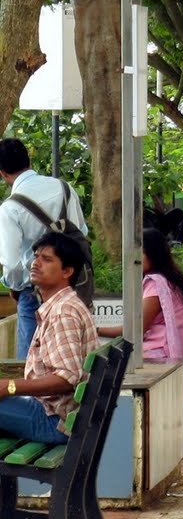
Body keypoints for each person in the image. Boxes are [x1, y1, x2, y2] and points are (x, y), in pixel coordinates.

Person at [0, 231, 97, 444]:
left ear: (67, 271)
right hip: (58, 413)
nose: (35, 263)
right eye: (35, 256)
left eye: (47, 259)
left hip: (54, 422)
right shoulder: (63, 305)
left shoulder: (63, 312)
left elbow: (66, 377)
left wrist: (10, 386)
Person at [0, 138, 88, 360]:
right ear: (28, 160)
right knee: (71, 358)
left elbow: (12, 265)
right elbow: (81, 234)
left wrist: (15, 286)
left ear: (2, 173)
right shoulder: (65, 189)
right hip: (74, 286)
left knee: (32, 366)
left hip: (35, 293)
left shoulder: (10, 208)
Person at [98, 228, 183, 363]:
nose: (134, 258)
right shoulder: (172, 278)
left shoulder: (156, 284)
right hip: (176, 350)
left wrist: (96, 329)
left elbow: (135, 329)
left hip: (163, 355)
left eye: (140, 253)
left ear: (153, 254)